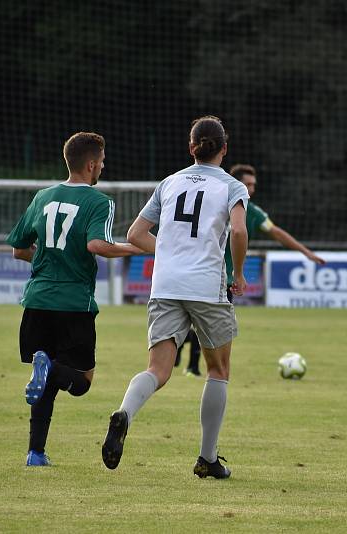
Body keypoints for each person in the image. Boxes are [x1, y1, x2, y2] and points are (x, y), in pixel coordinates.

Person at [102, 116, 249, 479]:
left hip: (165, 284)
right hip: (205, 286)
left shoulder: (170, 182)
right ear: (224, 149)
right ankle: (207, 459)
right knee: (218, 369)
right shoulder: (232, 187)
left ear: (191, 148)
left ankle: (124, 413)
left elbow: (135, 234)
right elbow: (240, 230)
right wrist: (239, 273)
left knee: (158, 369)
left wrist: (169, 254)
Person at [6, 132, 143, 467]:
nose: (103, 168)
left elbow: (19, 249)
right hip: (73, 302)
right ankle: (49, 368)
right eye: (103, 163)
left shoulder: (42, 197)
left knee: (47, 386)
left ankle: (35, 453)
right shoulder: (99, 202)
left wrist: (48, 259)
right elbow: (97, 245)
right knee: (81, 381)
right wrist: (137, 247)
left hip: (37, 299)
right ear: (92, 164)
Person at [223, 163, 325, 296]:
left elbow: (277, 233)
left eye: (253, 185)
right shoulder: (219, 203)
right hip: (214, 276)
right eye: (248, 184)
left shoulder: (253, 212)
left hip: (225, 280)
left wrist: (306, 252)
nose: (252, 189)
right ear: (236, 184)